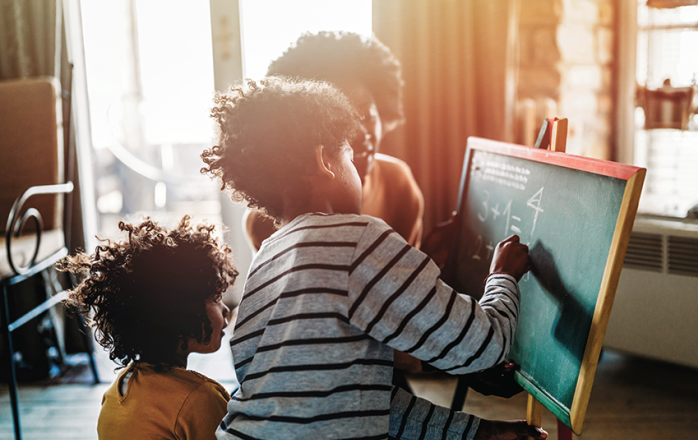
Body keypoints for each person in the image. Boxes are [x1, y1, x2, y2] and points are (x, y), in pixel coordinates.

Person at [201, 77, 546, 440]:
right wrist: (502, 276)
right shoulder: (357, 238)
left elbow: (357, 400)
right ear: (323, 161)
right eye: (349, 155)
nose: (359, 169)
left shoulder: (266, 260)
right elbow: (484, 346)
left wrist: (478, 432)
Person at [57, 217, 239, 440]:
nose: (225, 310)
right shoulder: (201, 399)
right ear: (179, 314)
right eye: (215, 298)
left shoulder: (115, 394)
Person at [244, 31, 424, 251]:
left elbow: (405, 275)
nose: (360, 133)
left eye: (367, 115)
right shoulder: (266, 219)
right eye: (338, 122)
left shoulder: (397, 184)